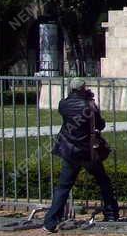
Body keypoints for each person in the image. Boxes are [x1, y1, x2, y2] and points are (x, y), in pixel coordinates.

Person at [42, 78, 118, 232]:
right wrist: (90, 101)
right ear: (84, 88)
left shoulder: (63, 104)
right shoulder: (89, 105)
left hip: (69, 150)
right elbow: (100, 124)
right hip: (87, 151)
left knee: (63, 187)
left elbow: (67, 113)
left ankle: (50, 221)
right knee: (103, 181)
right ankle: (111, 212)